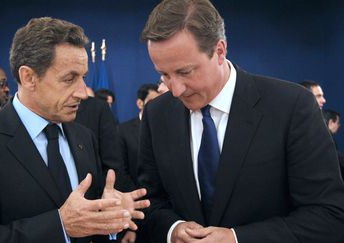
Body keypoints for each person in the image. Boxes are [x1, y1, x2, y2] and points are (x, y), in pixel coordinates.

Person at [138, 0, 344, 242]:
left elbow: (328, 216)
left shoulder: (292, 106)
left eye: (185, 72)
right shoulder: (157, 114)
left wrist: (237, 238)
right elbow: (151, 203)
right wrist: (173, 229)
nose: (175, 90)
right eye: (163, 74)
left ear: (220, 51)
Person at [0, 17, 149, 243]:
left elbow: (84, 220)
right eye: (69, 79)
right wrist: (60, 226)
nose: (82, 91)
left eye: (83, 78)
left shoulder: (83, 136)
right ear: (28, 77)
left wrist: (104, 213)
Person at [118, 83, 159, 243]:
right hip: (137, 216)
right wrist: (131, 224)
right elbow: (121, 173)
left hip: (167, 219)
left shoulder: (171, 130)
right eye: (152, 101)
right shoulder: (123, 131)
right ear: (140, 103)